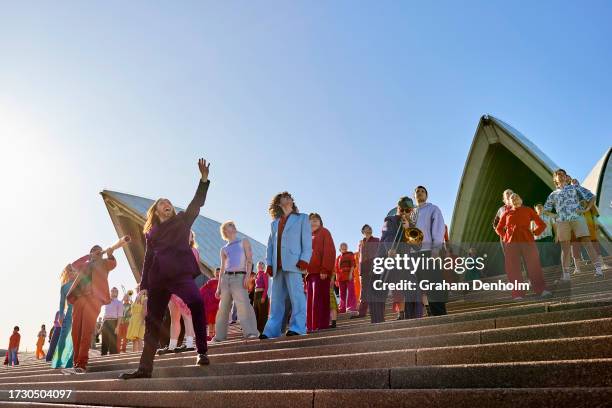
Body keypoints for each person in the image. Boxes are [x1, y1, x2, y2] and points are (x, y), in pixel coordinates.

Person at [120, 158, 211, 380]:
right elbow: (148, 259)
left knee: (197, 303)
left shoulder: (181, 221)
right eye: (162, 202)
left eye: (169, 201)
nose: (167, 203)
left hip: (180, 275)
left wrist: (204, 179)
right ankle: (144, 369)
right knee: (152, 322)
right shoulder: (151, 234)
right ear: (156, 210)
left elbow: (196, 204)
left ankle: (201, 351)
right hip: (158, 279)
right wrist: (143, 285)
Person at [260, 192, 312, 339]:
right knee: (276, 301)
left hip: (294, 264)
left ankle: (298, 327)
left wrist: (304, 259)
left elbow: (307, 242)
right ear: (278, 202)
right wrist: (269, 263)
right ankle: (271, 331)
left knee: (297, 297)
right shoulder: (274, 223)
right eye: (284, 196)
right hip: (277, 266)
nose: (288, 197)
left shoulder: (302, 218)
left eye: (289, 196)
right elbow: (270, 246)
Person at [63, 245, 117, 374]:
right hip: (79, 298)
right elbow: (74, 265)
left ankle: (81, 364)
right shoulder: (85, 264)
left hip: (94, 299)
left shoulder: (104, 263)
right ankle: (76, 363)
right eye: (93, 251)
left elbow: (113, 264)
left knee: (86, 331)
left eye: (98, 251)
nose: (96, 252)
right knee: (75, 332)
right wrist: (89, 256)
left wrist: (109, 254)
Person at [543, 169, 605, 280]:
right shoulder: (553, 194)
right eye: (558, 175)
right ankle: (566, 274)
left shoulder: (574, 188)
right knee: (565, 247)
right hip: (562, 222)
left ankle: (598, 269)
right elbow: (546, 209)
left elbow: (591, 196)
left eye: (563, 174)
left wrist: (586, 209)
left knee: (587, 242)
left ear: (566, 177)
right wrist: (555, 216)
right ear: (555, 179)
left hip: (578, 218)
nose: (561, 176)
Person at [496, 193, 552, 300]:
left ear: (521, 199)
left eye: (517, 197)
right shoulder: (506, 213)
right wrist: (506, 237)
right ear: (509, 202)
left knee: (534, 265)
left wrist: (535, 232)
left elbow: (542, 224)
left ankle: (541, 289)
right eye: (512, 198)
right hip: (511, 243)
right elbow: (499, 228)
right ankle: (517, 294)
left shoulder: (528, 210)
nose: (514, 199)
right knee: (513, 268)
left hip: (527, 240)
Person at [212, 221, 259, 342]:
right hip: (226, 278)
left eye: (233, 226)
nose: (232, 228)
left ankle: (251, 333)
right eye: (229, 227)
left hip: (240, 277)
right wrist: (218, 287)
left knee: (243, 305)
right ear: (225, 232)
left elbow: (249, 259)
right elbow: (222, 268)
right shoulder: (224, 249)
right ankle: (219, 336)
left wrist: (247, 276)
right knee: (223, 308)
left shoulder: (243, 241)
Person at [412, 186, 448, 316]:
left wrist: (436, 249)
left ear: (426, 196)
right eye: (417, 191)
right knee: (419, 287)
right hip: (412, 254)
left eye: (422, 191)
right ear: (414, 196)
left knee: (434, 284)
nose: (420, 193)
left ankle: (440, 315)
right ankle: (428, 313)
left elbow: (438, 229)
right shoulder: (410, 213)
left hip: (428, 251)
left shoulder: (433, 209)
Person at [306, 213, 335, 332]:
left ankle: (321, 324)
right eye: (311, 221)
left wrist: (325, 269)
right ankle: (311, 325)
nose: (313, 223)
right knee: (311, 301)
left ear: (320, 222)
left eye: (316, 220)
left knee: (320, 299)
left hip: (321, 273)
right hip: (310, 273)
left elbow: (329, 251)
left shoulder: (324, 232)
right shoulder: (307, 235)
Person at [51, 262, 83, 369]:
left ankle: (70, 360)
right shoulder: (64, 287)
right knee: (63, 337)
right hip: (68, 314)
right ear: (67, 273)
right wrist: (60, 315)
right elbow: (61, 302)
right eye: (69, 271)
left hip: (78, 312)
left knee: (76, 337)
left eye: (73, 270)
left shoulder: (79, 284)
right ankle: (59, 360)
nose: (72, 273)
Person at [353, 225, 381, 321]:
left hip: (375, 267)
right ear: (363, 232)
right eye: (366, 229)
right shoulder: (361, 243)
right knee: (364, 291)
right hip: (364, 269)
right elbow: (359, 257)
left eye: (369, 228)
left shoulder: (377, 240)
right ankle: (362, 312)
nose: (368, 230)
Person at [533, 203, 557, 267]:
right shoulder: (533, 218)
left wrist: (556, 236)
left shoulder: (549, 217)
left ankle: (550, 267)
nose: (540, 208)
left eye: (541, 206)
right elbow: (531, 230)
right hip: (537, 239)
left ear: (543, 208)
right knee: (540, 254)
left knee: (546, 252)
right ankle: (545, 269)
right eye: (538, 207)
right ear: (535, 209)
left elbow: (555, 226)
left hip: (548, 237)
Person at [335, 243, 357, 314]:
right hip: (341, 277)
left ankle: (351, 307)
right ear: (340, 249)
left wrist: (350, 274)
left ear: (347, 248)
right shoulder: (338, 258)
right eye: (342, 247)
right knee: (342, 293)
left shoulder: (350, 254)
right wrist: (337, 280)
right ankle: (342, 308)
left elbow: (353, 265)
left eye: (345, 246)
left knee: (351, 291)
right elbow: (337, 270)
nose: (344, 248)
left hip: (348, 275)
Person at [200, 268, 221, 341]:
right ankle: (210, 335)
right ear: (214, 273)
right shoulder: (210, 281)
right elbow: (203, 290)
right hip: (210, 304)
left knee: (216, 320)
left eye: (219, 272)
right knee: (210, 320)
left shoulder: (223, 282)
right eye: (217, 272)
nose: (218, 274)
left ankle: (214, 335)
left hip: (218, 304)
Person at [101, 287, 123, 355]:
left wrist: (117, 327)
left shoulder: (119, 303)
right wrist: (102, 324)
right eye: (112, 291)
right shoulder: (107, 302)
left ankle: (113, 356)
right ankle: (103, 356)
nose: (113, 292)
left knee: (112, 341)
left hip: (114, 322)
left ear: (117, 293)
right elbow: (105, 314)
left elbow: (120, 316)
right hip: (105, 322)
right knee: (104, 340)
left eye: (115, 291)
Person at [252, 262, 270, 334]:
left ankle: (263, 330)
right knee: (256, 312)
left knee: (262, 313)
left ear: (263, 266)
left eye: (261, 264)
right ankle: (256, 330)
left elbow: (266, 286)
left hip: (262, 294)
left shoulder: (264, 274)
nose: (260, 265)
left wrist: (263, 297)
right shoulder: (256, 274)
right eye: (259, 264)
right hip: (256, 295)